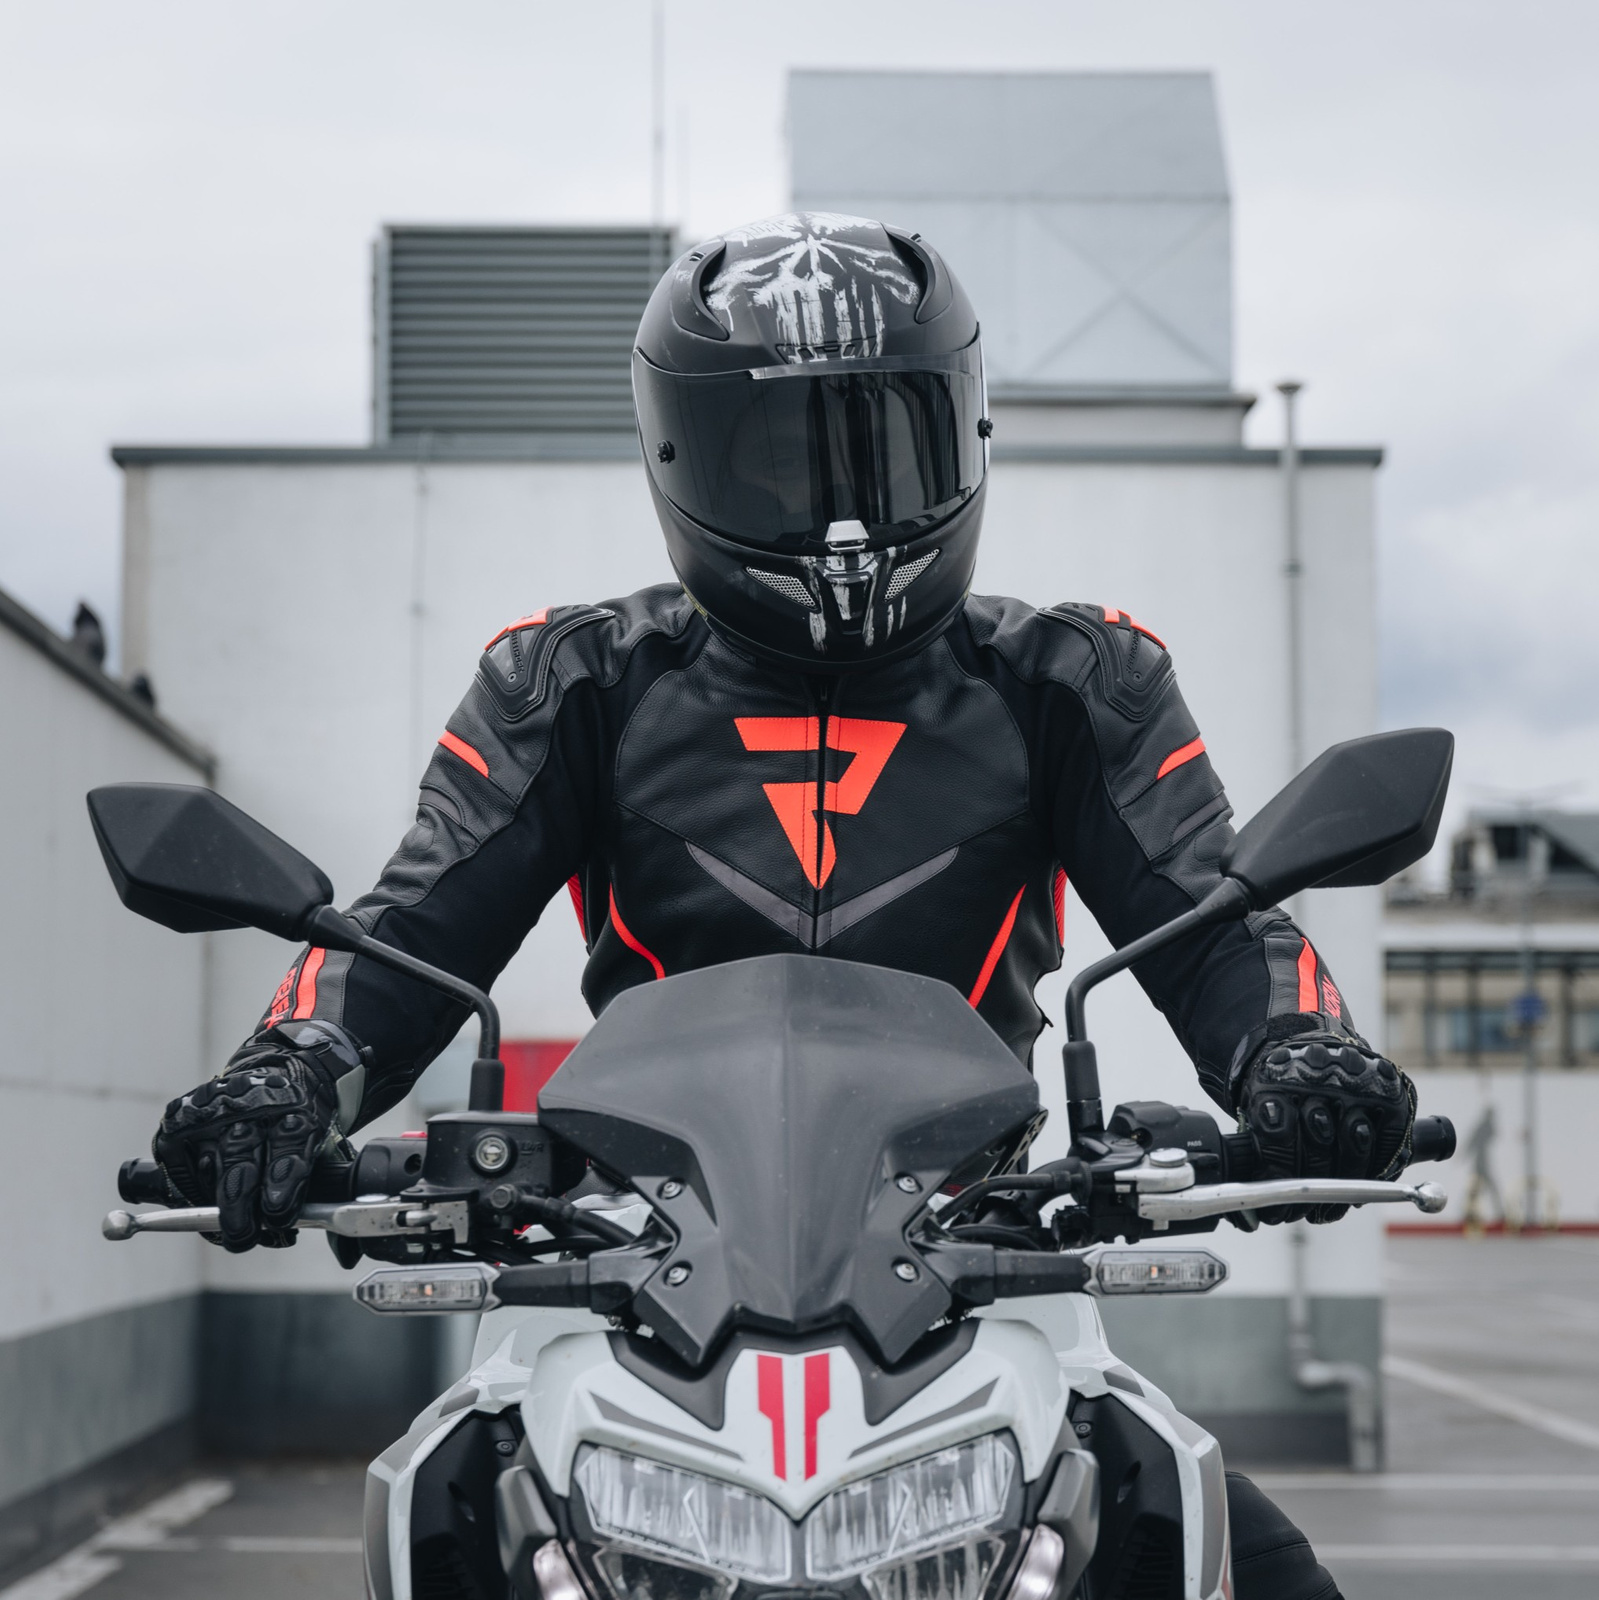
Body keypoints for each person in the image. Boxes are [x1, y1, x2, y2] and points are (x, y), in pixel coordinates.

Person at [153, 213, 1412, 1600]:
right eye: (782, 457)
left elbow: (1214, 917)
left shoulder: (1076, 684)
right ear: (682, 458)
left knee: (1217, 1543)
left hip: (979, 1256)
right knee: (443, 1520)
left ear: (968, 431)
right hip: (632, 1264)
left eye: (885, 445)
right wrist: (283, 1077)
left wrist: (1301, 1052)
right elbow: (407, 935)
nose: (845, 509)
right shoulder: (571, 684)